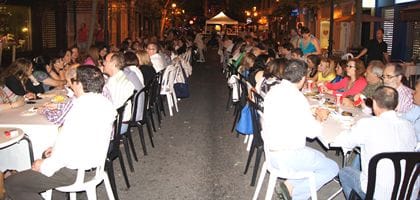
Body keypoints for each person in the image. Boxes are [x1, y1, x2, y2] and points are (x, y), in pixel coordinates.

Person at [4, 65, 116, 200]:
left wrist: (44, 165)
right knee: (45, 154)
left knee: (12, 183)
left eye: (72, 83)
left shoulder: (80, 108)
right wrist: (55, 149)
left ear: (79, 84)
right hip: (93, 164)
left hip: (75, 171)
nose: (70, 86)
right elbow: (82, 138)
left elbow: (64, 152)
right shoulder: (104, 103)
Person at [263, 59, 339, 199]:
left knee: (320, 157)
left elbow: (289, 115)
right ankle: (296, 195)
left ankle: (289, 185)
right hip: (288, 155)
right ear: (303, 78)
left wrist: (308, 115)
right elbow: (312, 133)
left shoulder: (275, 90)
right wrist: (320, 117)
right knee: (332, 167)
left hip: (272, 151)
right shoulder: (297, 98)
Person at [334, 86, 417, 199]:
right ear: (396, 105)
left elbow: (341, 141)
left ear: (374, 104)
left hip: (377, 194)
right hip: (408, 193)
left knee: (345, 172)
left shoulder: (367, 124)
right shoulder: (409, 126)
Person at [103, 52, 135, 133]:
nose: (103, 63)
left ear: (113, 64)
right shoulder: (122, 77)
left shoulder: (112, 84)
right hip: (123, 121)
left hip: (118, 125)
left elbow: (109, 111)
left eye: (106, 61)